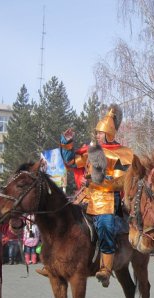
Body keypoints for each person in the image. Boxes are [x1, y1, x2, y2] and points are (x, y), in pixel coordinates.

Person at [57, 104, 133, 287]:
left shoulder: (123, 154)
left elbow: (121, 181)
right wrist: (66, 142)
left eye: (100, 133)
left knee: (106, 227)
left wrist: (93, 180)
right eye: (97, 133)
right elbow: (71, 162)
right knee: (62, 220)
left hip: (107, 199)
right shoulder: (91, 151)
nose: (97, 136)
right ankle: (56, 263)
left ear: (109, 133)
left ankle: (105, 269)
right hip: (85, 196)